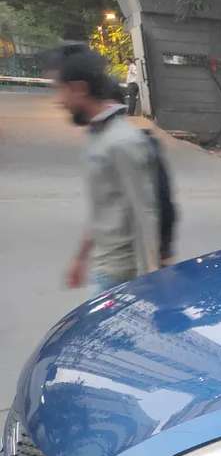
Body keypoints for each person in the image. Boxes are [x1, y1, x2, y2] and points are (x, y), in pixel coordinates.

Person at [56, 48, 162, 293]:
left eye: (61, 90)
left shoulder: (122, 141)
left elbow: (145, 212)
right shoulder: (97, 135)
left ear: (80, 88)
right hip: (102, 267)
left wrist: (153, 279)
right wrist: (81, 258)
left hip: (119, 276)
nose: (59, 100)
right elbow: (101, 208)